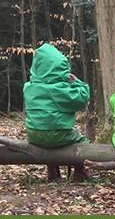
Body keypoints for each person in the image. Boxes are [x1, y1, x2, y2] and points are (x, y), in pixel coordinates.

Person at [22, 43, 91, 181]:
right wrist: (74, 80)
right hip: (59, 133)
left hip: (33, 133)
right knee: (83, 142)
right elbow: (84, 96)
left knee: (47, 133)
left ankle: (53, 172)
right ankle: (79, 172)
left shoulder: (28, 87)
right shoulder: (60, 89)